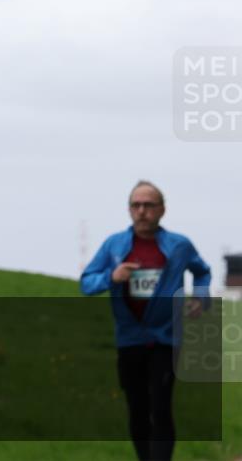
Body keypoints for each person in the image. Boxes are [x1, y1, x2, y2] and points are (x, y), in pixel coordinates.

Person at [80, 180, 211, 461]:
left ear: (162, 209)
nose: (142, 211)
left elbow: (202, 271)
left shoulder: (179, 245)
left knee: (161, 407)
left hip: (166, 338)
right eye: (136, 205)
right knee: (138, 409)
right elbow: (87, 283)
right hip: (129, 338)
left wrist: (201, 297)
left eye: (148, 205)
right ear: (129, 209)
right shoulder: (114, 245)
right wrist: (112, 277)